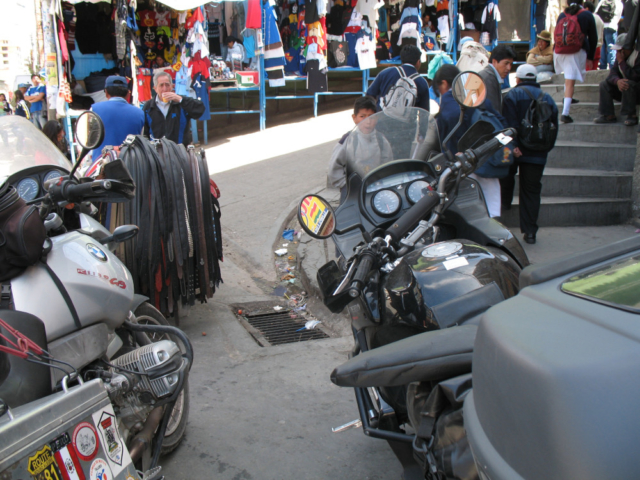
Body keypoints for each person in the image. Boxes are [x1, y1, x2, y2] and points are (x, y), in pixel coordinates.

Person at [435, 64, 507, 217]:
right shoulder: (478, 96)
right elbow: (500, 121)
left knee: (470, 210)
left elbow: (445, 130)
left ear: (444, 83)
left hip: (463, 163)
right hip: (487, 158)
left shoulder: (448, 99)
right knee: (491, 208)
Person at [501, 64, 559, 245]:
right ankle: (530, 232)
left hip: (515, 150)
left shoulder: (512, 96)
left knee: (505, 176)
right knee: (532, 190)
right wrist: (544, 149)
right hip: (538, 153)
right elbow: (554, 127)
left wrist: (512, 146)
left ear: (517, 79)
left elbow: (507, 124)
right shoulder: (548, 99)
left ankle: (505, 205)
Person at [327, 96, 392, 200]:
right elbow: (334, 168)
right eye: (362, 116)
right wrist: (345, 185)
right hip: (352, 189)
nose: (368, 121)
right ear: (354, 118)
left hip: (376, 186)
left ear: (377, 117)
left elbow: (387, 164)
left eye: (371, 116)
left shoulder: (381, 140)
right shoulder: (347, 141)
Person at [554, 0, 597, 123]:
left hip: (559, 51)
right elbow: (593, 38)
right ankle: (565, 113)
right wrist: (590, 56)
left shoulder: (562, 15)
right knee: (570, 82)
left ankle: (568, 97)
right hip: (575, 51)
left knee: (568, 79)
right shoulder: (587, 15)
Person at [142, 71, 205, 145]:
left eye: (167, 85)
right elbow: (144, 134)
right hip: (157, 152)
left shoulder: (180, 103)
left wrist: (181, 99)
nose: (165, 89)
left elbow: (200, 109)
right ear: (155, 88)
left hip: (180, 151)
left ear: (172, 86)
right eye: (161, 85)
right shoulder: (148, 107)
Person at [91, 75, 145, 161]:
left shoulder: (94, 109)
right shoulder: (140, 113)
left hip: (101, 166)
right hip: (131, 166)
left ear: (106, 92)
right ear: (128, 93)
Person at [366, 45, 430, 111]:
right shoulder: (422, 82)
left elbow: (370, 95)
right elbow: (424, 113)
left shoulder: (385, 73)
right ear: (418, 62)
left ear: (401, 59)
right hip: (407, 120)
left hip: (383, 119)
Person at [594, 33, 640, 125]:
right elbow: (612, 75)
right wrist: (617, 81)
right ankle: (608, 115)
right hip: (624, 92)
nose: (620, 52)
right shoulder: (619, 58)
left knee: (628, 83)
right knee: (604, 84)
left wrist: (622, 62)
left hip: (636, 91)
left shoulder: (637, 57)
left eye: (622, 49)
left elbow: (634, 76)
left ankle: (631, 115)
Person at [478, 44, 516, 114]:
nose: (509, 68)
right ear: (494, 62)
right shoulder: (487, 79)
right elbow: (491, 112)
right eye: (506, 63)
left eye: (511, 64)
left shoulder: (491, 76)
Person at [597, 0, 623, 70]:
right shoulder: (618, 2)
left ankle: (602, 65)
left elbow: (596, 13)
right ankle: (612, 66)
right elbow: (618, 16)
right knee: (611, 47)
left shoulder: (602, 1)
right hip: (611, 27)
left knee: (602, 47)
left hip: (602, 27)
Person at [585, 1, 604, 70]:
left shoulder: (587, 18)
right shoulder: (599, 18)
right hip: (598, 47)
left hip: (589, 48)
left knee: (587, 72)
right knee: (594, 70)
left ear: (587, 8)